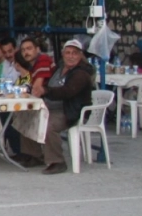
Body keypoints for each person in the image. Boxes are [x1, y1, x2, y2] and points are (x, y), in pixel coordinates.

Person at [15, 39, 95, 175]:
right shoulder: (59, 68)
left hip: (70, 110)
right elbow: (38, 81)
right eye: (67, 53)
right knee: (26, 116)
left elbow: (68, 91)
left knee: (48, 124)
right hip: (52, 106)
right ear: (63, 54)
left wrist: (46, 91)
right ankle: (34, 155)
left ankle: (57, 161)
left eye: (74, 53)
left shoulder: (80, 73)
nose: (70, 56)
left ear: (80, 55)